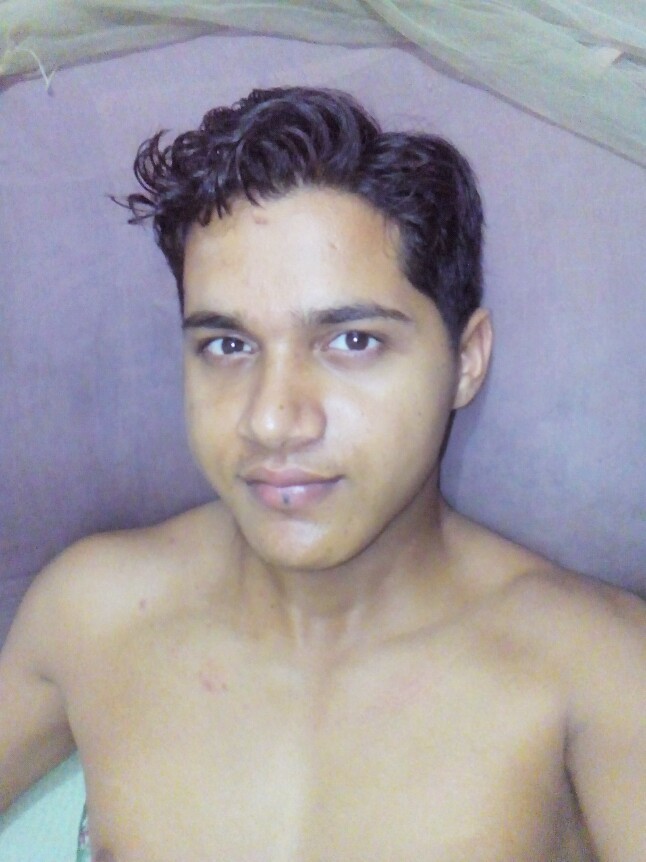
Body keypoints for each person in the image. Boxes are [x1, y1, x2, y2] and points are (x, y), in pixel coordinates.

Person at [1, 86, 644, 862]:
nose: (274, 420)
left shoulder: (596, 669)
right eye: (228, 346)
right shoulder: (93, 615)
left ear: (466, 361)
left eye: (352, 342)